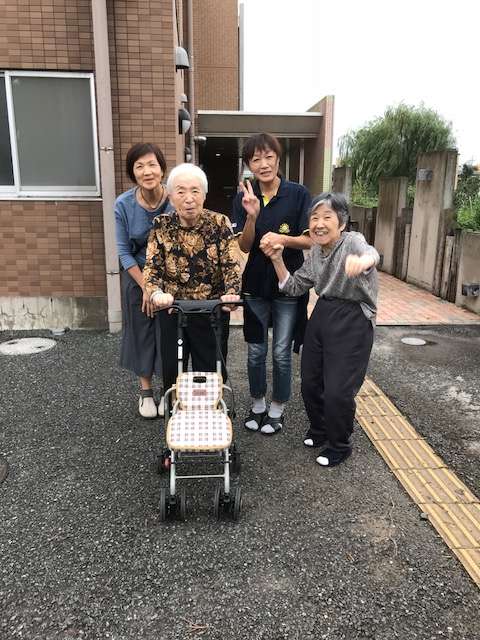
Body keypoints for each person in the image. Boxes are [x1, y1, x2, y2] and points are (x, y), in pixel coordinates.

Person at [262, 192, 379, 467]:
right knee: (310, 381)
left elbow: (371, 253)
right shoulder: (315, 252)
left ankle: (340, 444)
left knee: (338, 389)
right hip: (323, 312)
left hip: (353, 316)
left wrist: (364, 262)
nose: (319, 224)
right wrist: (277, 260)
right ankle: (320, 429)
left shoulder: (352, 241)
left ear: (342, 223)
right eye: (314, 218)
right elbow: (293, 287)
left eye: (327, 217)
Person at [232, 133, 312, 435]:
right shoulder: (244, 195)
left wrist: (282, 239)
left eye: (268, 157)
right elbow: (244, 245)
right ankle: (258, 404)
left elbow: (309, 240)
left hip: (288, 284)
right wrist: (251, 217)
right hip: (254, 285)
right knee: (255, 350)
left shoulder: (298, 194)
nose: (263, 164)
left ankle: (277, 407)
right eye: (256, 159)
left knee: (280, 351)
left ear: (278, 159)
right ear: (249, 165)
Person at [143, 163, 241, 396]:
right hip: (173, 308)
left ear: (204, 195)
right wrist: (156, 293)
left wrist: (231, 293)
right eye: (181, 191)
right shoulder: (161, 225)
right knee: (172, 369)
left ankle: (209, 411)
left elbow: (231, 265)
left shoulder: (219, 223)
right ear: (170, 196)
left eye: (195, 191)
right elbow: (152, 267)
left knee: (210, 372)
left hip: (211, 309)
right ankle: (174, 408)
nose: (189, 198)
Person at [114, 142, 173, 419]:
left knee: (169, 333)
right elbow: (124, 252)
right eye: (139, 166)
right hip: (136, 277)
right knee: (141, 331)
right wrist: (147, 287)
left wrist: (159, 286)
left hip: (171, 278)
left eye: (152, 164)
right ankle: (146, 391)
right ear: (132, 172)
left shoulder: (175, 198)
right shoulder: (123, 204)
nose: (147, 171)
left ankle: (169, 389)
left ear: (162, 169)